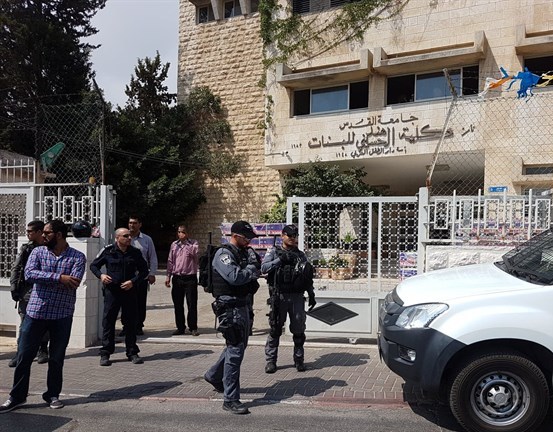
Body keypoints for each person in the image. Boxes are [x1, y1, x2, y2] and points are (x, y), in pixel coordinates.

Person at [0, 219, 86, 413]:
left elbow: (74, 282)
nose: (43, 235)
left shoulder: (77, 256)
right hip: (35, 312)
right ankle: (17, 397)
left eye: (47, 233)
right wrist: (59, 278)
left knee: (56, 358)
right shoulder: (38, 252)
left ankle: (52, 395)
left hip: (62, 314)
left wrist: (47, 278)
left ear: (59, 235)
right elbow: (30, 274)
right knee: (24, 356)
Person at [204, 221, 260, 415]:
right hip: (229, 308)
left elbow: (253, 271)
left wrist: (252, 269)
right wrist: (251, 270)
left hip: (243, 305)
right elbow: (235, 277)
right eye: (247, 237)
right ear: (235, 235)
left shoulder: (243, 253)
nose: (249, 241)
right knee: (235, 352)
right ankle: (230, 399)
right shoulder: (223, 254)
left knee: (238, 347)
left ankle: (213, 375)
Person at [90, 228, 149, 366]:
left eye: (129, 236)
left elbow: (144, 271)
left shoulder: (135, 252)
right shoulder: (108, 251)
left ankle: (132, 352)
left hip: (129, 292)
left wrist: (133, 282)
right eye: (125, 236)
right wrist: (101, 275)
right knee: (108, 321)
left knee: (130, 322)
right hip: (112, 292)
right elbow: (94, 266)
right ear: (117, 238)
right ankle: (105, 352)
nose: (129, 238)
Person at [262, 224, 316, 374]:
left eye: (294, 236)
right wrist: (280, 260)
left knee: (298, 329)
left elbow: (307, 276)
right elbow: (264, 268)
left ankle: (299, 360)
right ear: (282, 236)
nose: (292, 238)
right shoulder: (274, 252)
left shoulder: (300, 255)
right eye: (289, 235)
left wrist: (311, 293)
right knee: (275, 329)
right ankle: (271, 361)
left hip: (297, 297)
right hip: (279, 296)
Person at [9, 220, 49, 367]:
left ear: (39, 232)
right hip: (27, 289)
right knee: (25, 322)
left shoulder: (48, 248)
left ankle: (43, 349)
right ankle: (20, 352)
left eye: (30, 231)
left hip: (43, 289)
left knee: (43, 320)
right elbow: (16, 267)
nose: (27, 234)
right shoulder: (26, 248)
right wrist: (14, 287)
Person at [122, 215, 158, 336]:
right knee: (125, 302)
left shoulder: (147, 240)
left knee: (140, 302)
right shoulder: (123, 238)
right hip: (126, 276)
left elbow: (152, 257)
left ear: (140, 224)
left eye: (134, 223)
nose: (132, 225)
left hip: (141, 276)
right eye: (130, 223)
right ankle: (126, 326)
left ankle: (138, 326)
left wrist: (152, 273)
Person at [165, 224, 200, 336]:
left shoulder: (193, 243)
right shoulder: (174, 245)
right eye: (179, 232)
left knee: (192, 303)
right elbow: (170, 261)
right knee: (178, 304)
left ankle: (193, 327)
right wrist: (168, 276)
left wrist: (186, 244)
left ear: (187, 233)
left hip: (190, 277)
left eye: (183, 232)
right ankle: (180, 327)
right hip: (177, 277)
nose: (181, 234)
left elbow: (195, 254)